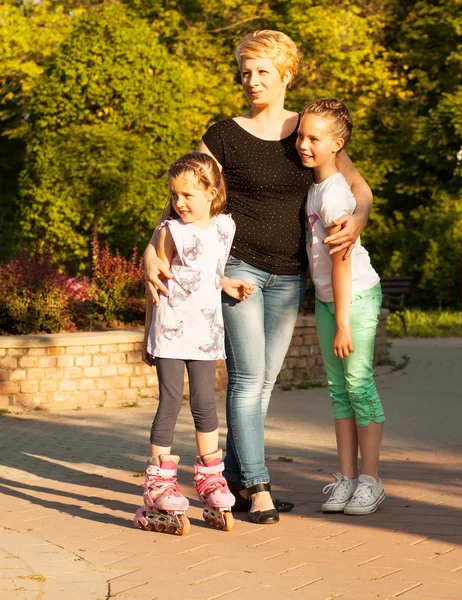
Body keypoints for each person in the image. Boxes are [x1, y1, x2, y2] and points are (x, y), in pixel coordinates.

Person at [145, 30, 373, 524]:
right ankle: (258, 485)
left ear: (287, 74)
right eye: (245, 72)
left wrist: (358, 219)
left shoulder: (306, 133)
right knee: (247, 381)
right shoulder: (224, 133)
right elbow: (184, 193)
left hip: (289, 277)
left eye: (262, 72)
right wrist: (152, 243)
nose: (251, 81)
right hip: (239, 271)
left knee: (264, 383)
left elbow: (357, 185)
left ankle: (234, 478)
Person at [134, 152, 255, 535]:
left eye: (188, 194)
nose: (179, 202)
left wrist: (226, 283)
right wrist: (147, 334)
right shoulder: (170, 231)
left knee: (204, 403)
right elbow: (155, 284)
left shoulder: (224, 228)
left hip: (205, 333)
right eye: (174, 195)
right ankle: (158, 484)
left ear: (212, 192)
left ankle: (210, 479)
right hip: (170, 331)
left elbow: (203, 272)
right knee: (170, 402)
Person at [298, 98, 385, 515]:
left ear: (338, 144)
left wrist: (345, 323)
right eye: (301, 135)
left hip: (356, 299)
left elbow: (342, 259)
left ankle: (370, 480)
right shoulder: (316, 187)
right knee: (339, 392)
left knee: (359, 386)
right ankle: (347, 479)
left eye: (314, 138)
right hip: (330, 301)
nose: (303, 144)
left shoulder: (334, 194)